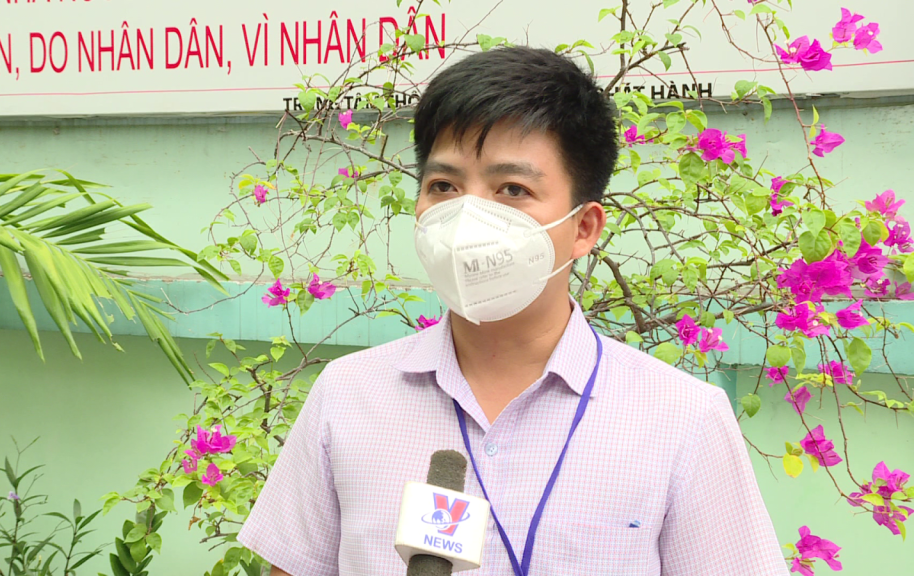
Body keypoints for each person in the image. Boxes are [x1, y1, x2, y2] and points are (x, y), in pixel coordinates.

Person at [238, 47, 788, 575]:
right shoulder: (346, 395)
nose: (468, 217)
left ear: (583, 227)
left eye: (512, 189)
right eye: (444, 185)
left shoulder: (683, 418)